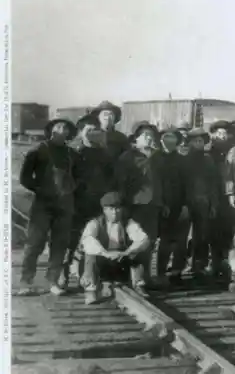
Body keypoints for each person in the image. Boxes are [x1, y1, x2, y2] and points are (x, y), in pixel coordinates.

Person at [18, 119, 79, 296]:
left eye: (65, 128)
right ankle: (25, 281)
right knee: (35, 243)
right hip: (43, 204)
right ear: (51, 129)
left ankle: (53, 281)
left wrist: (72, 188)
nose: (62, 129)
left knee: (60, 244)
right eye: (58, 126)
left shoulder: (71, 154)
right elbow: (25, 177)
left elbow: (79, 176)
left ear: (69, 133)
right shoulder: (38, 150)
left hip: (65, 204)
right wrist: (40, 189)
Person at [61, 115, 113, 289]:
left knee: (93, 240)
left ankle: (89, 276)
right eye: (88, 130)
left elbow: (111, 178)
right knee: (71, 240)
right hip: (77, 203)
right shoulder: (74, 153)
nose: (92, 133)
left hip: (97, 203)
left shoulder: (104, 154)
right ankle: (63, 275)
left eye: (95, 130)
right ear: (81, 133)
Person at [115, 121, 166, 290]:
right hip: (135, 205)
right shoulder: (127, 158)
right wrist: (123, 205)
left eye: (151, 136)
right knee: (137, 241)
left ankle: (145, 276)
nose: (148, 139)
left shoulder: (158, 157)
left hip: (154, 205)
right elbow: (121, 184)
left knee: (150, 242)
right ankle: (137, 280)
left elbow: (164, 183)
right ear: (135, 139)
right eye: (144, 136)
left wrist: (163, 202)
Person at [81, 192, 151, 304]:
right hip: (102, 262)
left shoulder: (128, 223)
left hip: (121, 261)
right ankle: (91, 290)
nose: (114, 212)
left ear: (122, 209)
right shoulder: (95, 223)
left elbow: (143, 239)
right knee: (90, 254)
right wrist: (105, 253)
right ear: (104, 210)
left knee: (141, 250)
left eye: (118, 209)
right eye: (111, 209)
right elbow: (88, 240)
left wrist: (127, 252)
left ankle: (139, 285)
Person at [183, 128, 223, 281]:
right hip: (187, 203)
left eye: (201, 141)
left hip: (203, 202)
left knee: (202, 235)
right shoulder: (184, 160)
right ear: (190, 143)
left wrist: (213, 204)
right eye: (195, 141)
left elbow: (213, 185)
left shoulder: (208, 161)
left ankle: (199, 265)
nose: (198, 144)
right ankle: (184, 264)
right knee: (185, 236)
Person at [156, 129, 188, 286]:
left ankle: (176, 272)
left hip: (179, 205)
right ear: (161, 140)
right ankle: (160, 273)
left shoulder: (182, 160)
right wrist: (162, 204)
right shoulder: (156, 159)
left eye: (172, 138)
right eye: (165, 137)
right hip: (161, 205)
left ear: (177, 141)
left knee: (181, 241)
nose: (168, 140)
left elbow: (187, 185)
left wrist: (184, 205)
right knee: (164, 241)